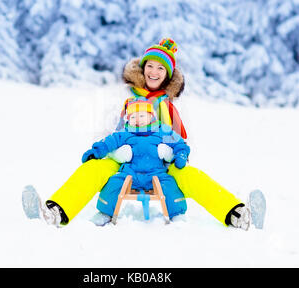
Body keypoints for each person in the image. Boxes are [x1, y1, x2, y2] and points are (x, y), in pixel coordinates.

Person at [41, 38, 250, 230]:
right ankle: (57, 211)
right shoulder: (123, 96)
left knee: (192, 176)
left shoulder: (172, 104)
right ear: (142, 69)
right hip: (123, 159)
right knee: (93, 168)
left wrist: (170, 153)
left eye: (160, 68)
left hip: (162, 164)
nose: (154, 72)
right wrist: (117, 153)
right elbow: (105, 131)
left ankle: (234, 213)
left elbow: (183, 142)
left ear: (167, 75)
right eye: (150, 65)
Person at [82, 98, 190, 223]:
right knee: (113, 183)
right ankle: (105, 213)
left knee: (170, 185)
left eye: (142, 115)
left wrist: (181, 154)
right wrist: (96, 152)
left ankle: (177, 214)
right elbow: (108, 142)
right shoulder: (125, 133)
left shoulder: (162, 131)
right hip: (130, 173)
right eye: (133, 117)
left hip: (157, 174)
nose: (137, 120)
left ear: (151, 116)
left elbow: (179, 143)